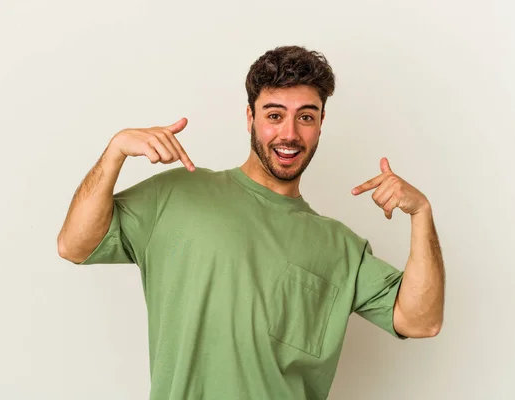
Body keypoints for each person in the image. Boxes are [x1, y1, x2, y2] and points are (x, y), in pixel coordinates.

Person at [57, 45, 445, 400]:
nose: (289, 134)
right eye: (274, 115)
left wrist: (421, 214)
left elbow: (421, 321)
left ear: (321, 123)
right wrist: (114, 154)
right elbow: (74, 245)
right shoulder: (175, 195)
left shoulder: (341, 248)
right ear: (250, 117)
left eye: (305, 117)